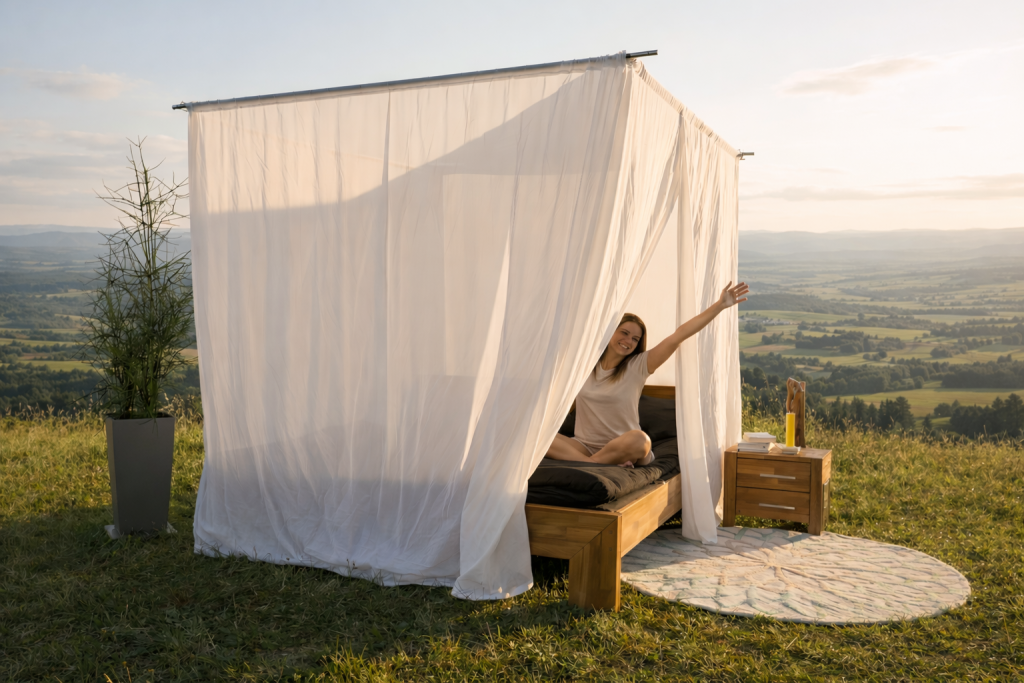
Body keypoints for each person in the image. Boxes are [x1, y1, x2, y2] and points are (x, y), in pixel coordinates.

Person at [545, 281, 749, 467]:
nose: (628, 341)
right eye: (624, 333)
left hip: (625, 447)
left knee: (641, 439)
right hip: (584, 446)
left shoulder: (639, 366)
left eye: (635, 339)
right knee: (538, 433)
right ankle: (595, 462)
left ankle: (596, 461)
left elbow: (678, 336)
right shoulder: (583, 366)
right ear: (610, 332)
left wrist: (719, 305)